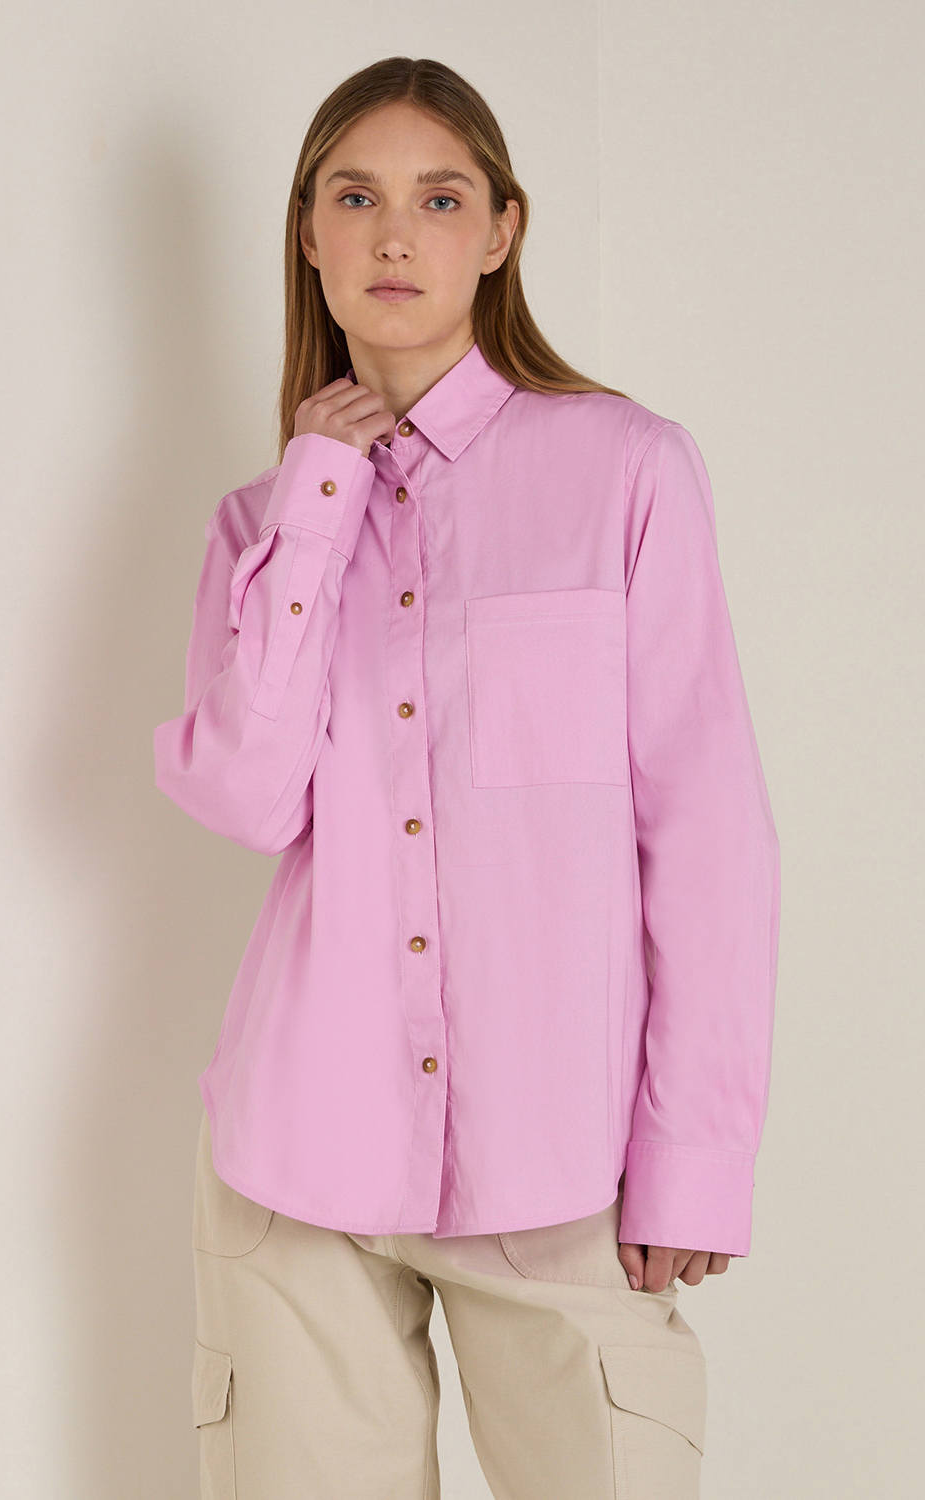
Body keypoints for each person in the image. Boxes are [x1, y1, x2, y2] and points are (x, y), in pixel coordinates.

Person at [154, 54, 780, 1500]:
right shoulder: (262, 524)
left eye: (439, 199)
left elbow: (707, 833)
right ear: (307, 233)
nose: (395, 236)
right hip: (297, 1166)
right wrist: (318, 500)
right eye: (354, 198)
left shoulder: (626, 468)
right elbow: (246, 798)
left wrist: (695, 1154)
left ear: (502, 229)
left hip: (566, 1166)